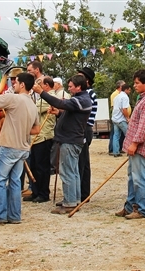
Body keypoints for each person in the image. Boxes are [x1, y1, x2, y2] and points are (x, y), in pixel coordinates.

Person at [0, 72, 41, 224]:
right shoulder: (33, 105)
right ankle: (15, 216)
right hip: (23, 148)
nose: (13, 84)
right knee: (15, 181)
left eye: (15, 82)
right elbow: (36, 130)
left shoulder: (13, 98)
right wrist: (21, 128)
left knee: (0, 180)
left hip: (9, 146)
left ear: (22, 85)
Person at [37, 75, 93, 214]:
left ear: (79, 87)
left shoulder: (81, 100)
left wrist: (41, 92)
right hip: (71, 140)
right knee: (73, 172)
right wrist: (58, 113)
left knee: (68, 172)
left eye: (71, 86)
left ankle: (69, 203)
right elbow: (67, 111)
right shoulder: (80, 100)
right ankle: (74, 199)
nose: (69, 88)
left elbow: (61, 103)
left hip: (70, 140)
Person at [115, 69, 145, 219]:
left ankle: (142, 210)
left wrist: (134, 144)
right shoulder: (144, 98)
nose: (134, 85)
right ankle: (130, 207)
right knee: (132, 177)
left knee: (140, 178)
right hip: (136, 146)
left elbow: (144, 127)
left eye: (137, 83)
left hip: (141, 147)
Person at [24, 77, 58, 203]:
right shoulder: (43, 97)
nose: (36, 87)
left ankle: (44, 193)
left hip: (44, 136)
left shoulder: (50, 97)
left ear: (47, 86)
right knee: (34, 165)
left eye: (40, 84)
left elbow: (35, 110)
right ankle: (36, 191)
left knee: (42, 167)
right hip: (37, 137)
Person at [76, 67, 97, 202]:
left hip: (84, 128)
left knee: (81, 163)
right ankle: (84, 192)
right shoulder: (87, 93)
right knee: (83, 162)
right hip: (85, 128)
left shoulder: (87, 94)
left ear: (86, 80)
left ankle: (81, 194)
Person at [110, 84, 132, 157]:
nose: (130, 91)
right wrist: (128, 118)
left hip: (115, 118)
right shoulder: (125, 97)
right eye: (129, 90)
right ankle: (129, 151)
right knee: (129, 135)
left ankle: (115, 152)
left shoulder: (117, 97)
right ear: (126, 90)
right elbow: (124, 109)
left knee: (116, 136)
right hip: (121, 119)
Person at [109, 80, 126, 155]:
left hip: (119, 118)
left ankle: (118, 149)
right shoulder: (115, 94)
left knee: (117, 134)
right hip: (118, 118)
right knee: (115, 134)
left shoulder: (119, 94)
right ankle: (112, 149)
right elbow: (114, 107)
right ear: (120, 86)